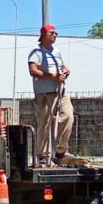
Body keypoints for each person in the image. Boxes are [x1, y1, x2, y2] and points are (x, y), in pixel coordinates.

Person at [27, 24, 76, 166]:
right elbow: (33, 71)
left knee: (68, 116)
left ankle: (60, 151)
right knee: (44, 123)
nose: (54, 35)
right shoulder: (36, 52)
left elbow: (61, 66)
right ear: (43, 35)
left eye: (56, 33)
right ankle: (43, 155)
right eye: (52, 33)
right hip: (43, 94)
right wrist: (52, 76)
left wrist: (66, 70)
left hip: (60, 91)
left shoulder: (57, 51)